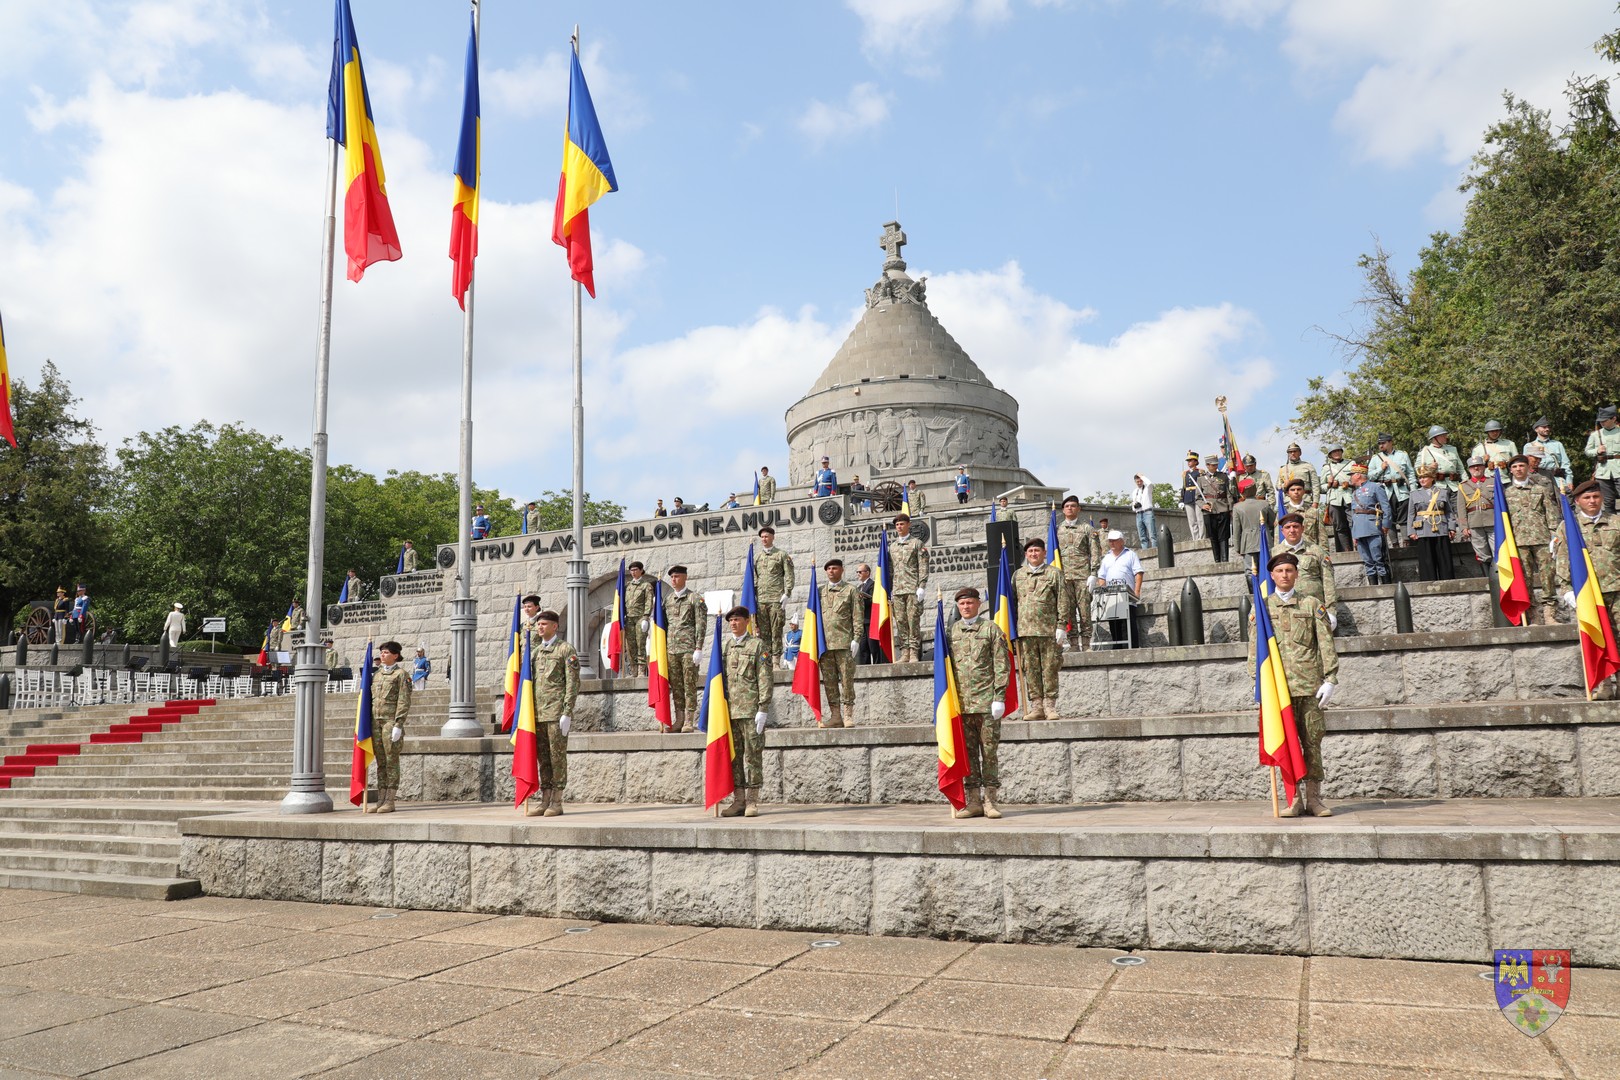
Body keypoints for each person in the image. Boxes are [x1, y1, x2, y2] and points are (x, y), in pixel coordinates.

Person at [1249, 553, 1338, 817]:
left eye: (1289, 570)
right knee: (1286, 745)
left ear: (1297, 574)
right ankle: (1294, 800)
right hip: (1278, 689)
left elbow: (1325, 644)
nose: (1285, 575)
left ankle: (1314, 799)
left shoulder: (1312, 604)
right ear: (1272, 576)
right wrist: (1258, 683)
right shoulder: (1262, 608)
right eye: (1280, 571)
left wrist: (1330, 679)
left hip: (1310, 686)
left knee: (1312, 743)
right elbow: (1255, 649)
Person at [947, 587, 1010, 820]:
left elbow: (1001, 665)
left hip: (986, 704)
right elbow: (947, 669)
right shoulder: (952, 632)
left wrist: (999, 697)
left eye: (970, 603)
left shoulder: (990, 629)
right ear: (958, 607)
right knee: (969, 755)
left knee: (990, 753)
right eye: (962, 604)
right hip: (962, 706)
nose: (966, 607)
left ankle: (990, 801)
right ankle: (973, 801)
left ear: (978, 604)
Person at [1556, 480, 1620, 698]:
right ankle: (1605, 686)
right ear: (1577, 501)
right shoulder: (1569, 527)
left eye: (1595, 496)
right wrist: (1567, 590)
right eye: (1587, 498)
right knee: (1596, 639)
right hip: (1588, 593)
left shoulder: (1616, 521)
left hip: (1616, 588)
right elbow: (1563, 560)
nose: (1592, 501)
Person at [525, 609, 578, 818]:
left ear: (555, 626)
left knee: (557, 758)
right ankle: (544, 798)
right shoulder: (535, 653)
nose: (540, 627)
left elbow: (573, 683)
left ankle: (557, 800)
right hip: (537, 714)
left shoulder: (566, 650)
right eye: (538, 624)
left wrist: (567, 711)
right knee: (543, 759)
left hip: (556, 713)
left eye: (544, 624)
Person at [720, 605, 771, 817]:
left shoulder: (757, 645)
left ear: (746, 622)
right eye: (731, 620)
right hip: (730, 712)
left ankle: (752, 801)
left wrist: (763, 707)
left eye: (737, 620)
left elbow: (765, 678)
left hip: (751, 711)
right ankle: (738, 800)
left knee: (753, 756)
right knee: (734, 757)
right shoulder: (726, 647)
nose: (733, 623)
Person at [1503, 454, 1564, 625]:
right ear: (1511, 471)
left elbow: (1551, 515)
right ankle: (1532, 615)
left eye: (1522, 466)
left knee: (1548, 577)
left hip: (1542, 539)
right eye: (1514, 467)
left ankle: (1550, 613)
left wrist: (1554, 537)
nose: (1518, 469)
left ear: (1528, 468)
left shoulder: (1541, 489)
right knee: (1525, 579)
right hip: (1519, 542)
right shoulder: (1506, 495)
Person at [1012, 537, 1062, 719]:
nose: (1034, 554)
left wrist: (1062, 625)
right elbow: (1013, 604)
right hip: (1025, 631)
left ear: (1044, 553)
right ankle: (1037, 707)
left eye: (1037, 551)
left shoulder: (1054, 574)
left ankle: (1050, 707)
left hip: (1048, 630)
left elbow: (1063, 600)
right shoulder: (1018, 575)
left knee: (1050, 668)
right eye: (1030, 552)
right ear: (1026, 554)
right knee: (1030, 670)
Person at [365, 640, 411, 815]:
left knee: (391, 761)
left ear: (395, 655)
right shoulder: (376, 675)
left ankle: (390, 800)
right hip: (375, 722)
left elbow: (404, 700)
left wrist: (399, 724)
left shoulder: (401, 675)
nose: (382, 655)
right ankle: (380, 799)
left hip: (390, 723)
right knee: (381, 762)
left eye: (386, 652)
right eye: (382, 652)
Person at [663, 566, 707, 732]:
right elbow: (665, 625)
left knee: (689, 685)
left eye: (676, 576)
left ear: (685, 578)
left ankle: (689, 720)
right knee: (676, 686)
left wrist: (699, 647)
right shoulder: (668, 600)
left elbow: (701, 624)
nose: (673, 580)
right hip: (672, 650)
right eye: (672, 577)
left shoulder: (694, 598)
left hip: (689, 649)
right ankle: (679, 719)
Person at [1276, 513, 1338, 627]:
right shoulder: (1274, 554)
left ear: (1302, 529)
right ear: (1282, 531)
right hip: (1285, 612)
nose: (1292, 530)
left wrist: (1331, 610)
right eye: (1288, 527)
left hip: (1314, 610)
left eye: (1296, 526)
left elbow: (1328, 581)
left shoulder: (1317, 551)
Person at [1055, 496, 1101, 650]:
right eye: (1067, 506)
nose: (1070, 508)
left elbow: (1095, 551)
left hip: (1082, 576)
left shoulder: (1087, 528)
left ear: (1079, 509)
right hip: (1064, 576)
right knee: (1068, 612)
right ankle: (1073, 644)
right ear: (1063, 510)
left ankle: (1087, 644)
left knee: (1085, 612)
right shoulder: (1057, 529)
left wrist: (1094, 573)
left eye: (1073, 506)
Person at [818, 559, 860, 727]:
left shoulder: (851, 590)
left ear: (842, 570)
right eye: (828, 568)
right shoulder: (819, 591)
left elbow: (857, 616)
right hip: (825, 645)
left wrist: (857, 638)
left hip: (844, 643)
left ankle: (848, 714)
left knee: (847, 680)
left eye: (834, 568)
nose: (831, 571)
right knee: (829, 682)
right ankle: (835, 716)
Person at [889, 515, 929, 662]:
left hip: (912, 588)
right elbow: (890, 570)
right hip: (898, 590)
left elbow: (923, 566)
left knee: (913, 620)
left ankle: (913, 652)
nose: (899, 527)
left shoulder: (917, 543)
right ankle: (904, 651)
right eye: (897, 524)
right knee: (900, 621)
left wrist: (922, 586)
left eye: (902, 524)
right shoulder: (892, 547)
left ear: (908, 525)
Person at [1095, 530, 1144, 648]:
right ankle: (1117, 647)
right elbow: (1101, 576)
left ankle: (1134, 647)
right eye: (1110, 541)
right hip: (1111, 595)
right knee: (1113, 622)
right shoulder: (1106, 557)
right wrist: (1103, 590)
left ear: (1122, 541)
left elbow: (1138, 573)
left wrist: (1137, 591)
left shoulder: (1130, 554)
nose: (1112, 543)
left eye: (1114, 541)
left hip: (1128, 595)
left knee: (1130, 621)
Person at [754, 526, 795, 664]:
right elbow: (754, 578)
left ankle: (776, 660)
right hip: (761, 600)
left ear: (772, 537)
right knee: (763, 634)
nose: (764, 539)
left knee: (776, 630)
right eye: (762, 537)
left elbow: (789, 575)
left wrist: (787, 593)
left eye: (766, 536)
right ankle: (766, 661)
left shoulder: (781, 555)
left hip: (776, 599)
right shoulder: (757, 557)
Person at [1409, 465, 1458, 580]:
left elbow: (1449, 511)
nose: (1421, 480)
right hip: (1423, 530)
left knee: (1444, 559)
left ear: (1432, 478)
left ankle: (1447, 582)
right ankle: (1428, 584)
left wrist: (1452, 528)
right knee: (1426, 560)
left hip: (1441, 528)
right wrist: (1411, 531)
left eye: (1425, 477)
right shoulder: (1414, 494)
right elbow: (1411, 514)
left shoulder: (1442, 492)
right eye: (1420, 477)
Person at [1347, 463, 1393, 585]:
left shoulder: (1376, 487)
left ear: (1358, 475)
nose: (1350, 478)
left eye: (1351, 475)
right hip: (1359, 530)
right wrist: (1354, 534)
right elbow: (1353, 514)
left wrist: (1386, 524)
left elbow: (1386, 506)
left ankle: (1386, 585)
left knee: (1379, 559)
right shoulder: (1354, 493)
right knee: (1367, 561)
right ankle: (1373, 587)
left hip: (1373, 527)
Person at [1368, 433, 1415, 547]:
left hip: (1402, 491)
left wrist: (1414, 490)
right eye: (1379, 443)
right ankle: (1395, 544)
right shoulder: (1375, 459)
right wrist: (1381, 468)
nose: (1381, 446)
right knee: (1388, 519)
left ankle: (1406, 542)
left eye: (1383, 443)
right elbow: (1370, 476)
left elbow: (1411, 473)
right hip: (1385, 493)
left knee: (1405, 519)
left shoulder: (1402, 455)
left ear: (1390, 442)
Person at [1231, 480, 1276, 576]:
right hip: (1265, 540)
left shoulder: (1237, 507)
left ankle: (1254, 591)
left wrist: (1237, 547)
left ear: (1242, 492)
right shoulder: (1265, 504)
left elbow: (1236, 529)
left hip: (1247, 543)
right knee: (1267, 569)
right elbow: (1272, 523)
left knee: (1251, 571)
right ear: (1255, 490)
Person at [1458, 456, 1496, 567]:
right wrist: (1464, 526)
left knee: (1498, 551)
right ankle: (1488, 579)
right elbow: (1461, 508)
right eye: (1472, 467)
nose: (1476, 468)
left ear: (1484, 467)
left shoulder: (1493, 481)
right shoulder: (1463, 486)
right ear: (1469, 469)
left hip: (1493, 521)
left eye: (1478, 466)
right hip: (1474, 522)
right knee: (1482, 554)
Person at [1197, 454, 1233, 562]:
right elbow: (1197, 497)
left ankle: (1225, 560)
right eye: (1213, 465)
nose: (1215, 466)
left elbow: (1229, 493)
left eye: (1216, 464)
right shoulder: (1201, 479)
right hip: (1209, 511)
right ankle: (1217, 560)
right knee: (1213, 537)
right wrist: (1202, 505)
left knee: (1224, 536)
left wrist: (1230, 508)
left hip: (1222, 508)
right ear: (1207, 465)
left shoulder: (1223, 476)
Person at [1321, 444, 1355, 553]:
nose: (1337, 453)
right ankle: (1346, 549)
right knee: (1339, 526)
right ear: (1330, 455)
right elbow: (1321, 487)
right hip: (1334, 499)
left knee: (1354, 522)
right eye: (1334, 452)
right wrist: (1329, 484)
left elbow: (1359, 479)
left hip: (1350, 497)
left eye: (1339, 451)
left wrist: (1349, 483)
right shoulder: (1326, 468)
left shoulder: (1351, 463)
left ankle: (1358, 547)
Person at [1587, 406, 1620, 513]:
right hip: (1603, 472)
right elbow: (1588, 451)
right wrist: (1597, 450)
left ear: (1614, 419)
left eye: (1605, 420)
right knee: (1608, 501)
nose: (1602, 423)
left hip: (1619, 469)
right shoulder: (1596, 435)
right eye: (1600, 421)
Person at [623, 561, 654, 676]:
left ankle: (641, 670)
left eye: (636, 570)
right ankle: (633, 670)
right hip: (629, 618)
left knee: (640, 643)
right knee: (630, 646)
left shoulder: (646, 586)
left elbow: (648, 602)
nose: (633, 572)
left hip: (640, 618)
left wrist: (646, 617)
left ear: (641, 571)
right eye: (631, 570)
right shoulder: (627, 586)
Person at [1416, 426, 1465, 493]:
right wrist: (1429, 467)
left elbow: (1460, 468)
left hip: (1454, 486)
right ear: (1435, 437)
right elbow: (1418, 470)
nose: (1446, 437)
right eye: (1443, 435)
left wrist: (1465, 482)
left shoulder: (1452, 449)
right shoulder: (1424, 451)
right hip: (1436, 487)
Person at [1531, 418, 1574, 494]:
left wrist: (1569, 480)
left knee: (1567, 503)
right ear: (1536, 429)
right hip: (1541, 480)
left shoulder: (1557, 444)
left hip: (1558, 480)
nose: (1547, 429)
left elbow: (1565, 464)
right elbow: (1531, 467)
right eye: (1544, 427)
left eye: (1548, 427)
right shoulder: (1532, 445)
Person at [1276, 442, 1322, 508]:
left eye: (1295, 451)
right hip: (1288, 503)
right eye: (1290, 452)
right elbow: (1277, 486)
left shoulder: (1308, 466)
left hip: (1306, 501)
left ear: (1300, 453)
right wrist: (1284, 485)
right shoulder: (1283, 469)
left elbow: (1315, 485)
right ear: (1288, 454)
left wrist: (1316, 502)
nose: (1292, 453)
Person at [854, 562, 883, 665]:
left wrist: (861, 600)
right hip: (862, 621)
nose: (858, 574)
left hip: (871, 620)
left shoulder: (873, 585)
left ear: (867, 573)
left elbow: (875, 601)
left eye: (860, 572)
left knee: (873, 647)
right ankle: (865, 668)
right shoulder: (859, 587)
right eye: (857, 572)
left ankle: (877, 666)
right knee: (863, 648)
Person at [1279, 479, 1322, 547]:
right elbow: (1277, 536)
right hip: (1289, 553)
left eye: (1299, 489)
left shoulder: (1313, 511)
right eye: (1292, 490)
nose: (1296, 492)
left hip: (1310, 551)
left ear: (1304, 491)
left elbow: (1322, 536)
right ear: (1287, 493)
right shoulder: (1282, 512)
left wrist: (1324, 554)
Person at [1179, 452, 1205, 541]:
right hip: (1187, 498)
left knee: (1200, 519)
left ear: (1195, 461)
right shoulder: (1185, 473)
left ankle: (1201, 538)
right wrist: (1181, 500)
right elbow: (1184, 487)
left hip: (1197, 497)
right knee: (1192, 521)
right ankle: (1195, 538)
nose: (1188, 462)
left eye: (1190, 460)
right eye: (1188, 461)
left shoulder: (1200, 472)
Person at [1130, 474, 1157, 548]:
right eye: (1137, 481)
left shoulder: (1147, 488)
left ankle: (1155, 552)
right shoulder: (1135, 491)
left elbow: (1150, 483)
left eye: (1140, 481)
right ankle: (1145, 553)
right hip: (1138, 514)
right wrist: (1135, 506)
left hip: (1147, 512)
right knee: (1142, 537)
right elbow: (1133, 504)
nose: (1139, 483)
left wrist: (1142, 476)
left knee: (1152, 535)